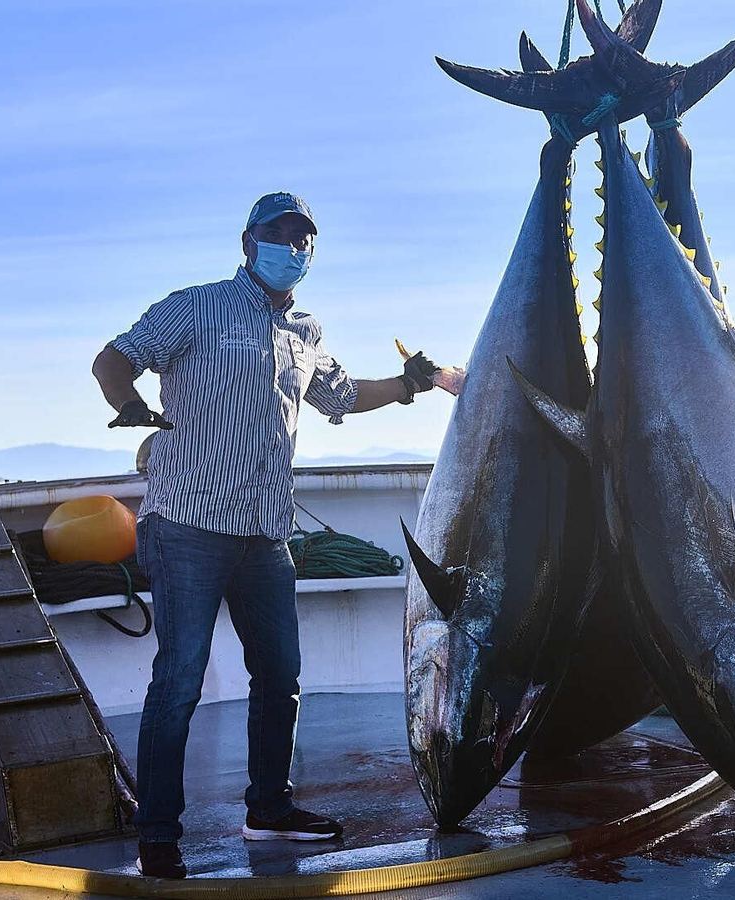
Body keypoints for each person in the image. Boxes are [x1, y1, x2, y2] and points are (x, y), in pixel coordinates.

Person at [91, 192, 464, 877]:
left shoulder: (305, 330)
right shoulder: (197, 306)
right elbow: (113, 358)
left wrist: (411, 384)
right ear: (247, 241)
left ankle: (269, 811)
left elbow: (343, 396)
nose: (292, 248)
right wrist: (130, 403)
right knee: (177, 682)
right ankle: (158, 836)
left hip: (266, 535)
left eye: (304, 240)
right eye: (280, 235)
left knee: (280, 677)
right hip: (188, 526)